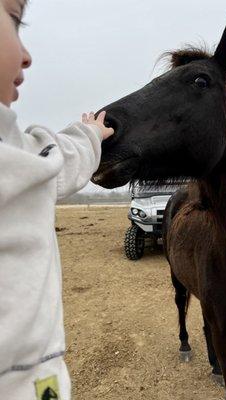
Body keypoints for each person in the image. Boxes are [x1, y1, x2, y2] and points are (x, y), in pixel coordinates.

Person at [0, 0, 114, 398]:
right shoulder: (16, 159)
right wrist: (90, 134)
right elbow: (55, 160)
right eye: (15, 20)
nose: (27, 56)